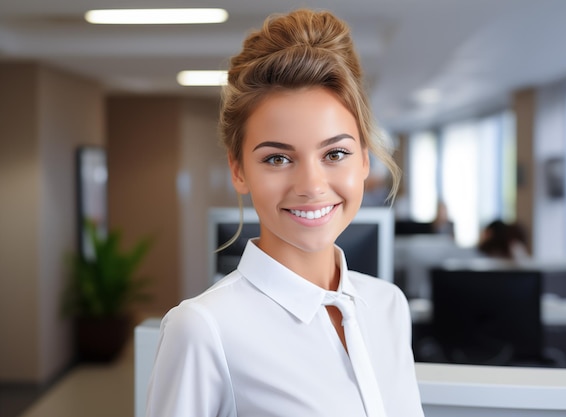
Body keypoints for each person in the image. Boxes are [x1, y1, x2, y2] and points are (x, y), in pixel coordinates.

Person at [145, 8, 425, 417]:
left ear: (364, 161)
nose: (311, 186)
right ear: (238, 170)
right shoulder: (204, 328)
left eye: (335, 153)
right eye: (277, 158)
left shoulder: (387, 306)